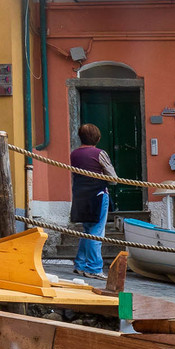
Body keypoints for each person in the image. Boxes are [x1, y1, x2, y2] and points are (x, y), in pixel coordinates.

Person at [69, 121, 118, 283]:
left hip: (80, 195)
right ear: (97, 138)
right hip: (97, 195)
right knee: (97, 233)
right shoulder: (99, 153)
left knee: (87, 231)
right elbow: (113, 178)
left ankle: (80, 264)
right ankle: (94, 268)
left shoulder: (73, 154)